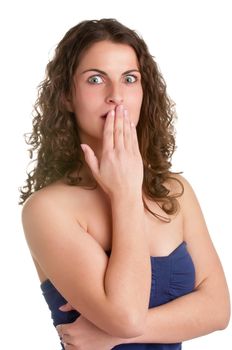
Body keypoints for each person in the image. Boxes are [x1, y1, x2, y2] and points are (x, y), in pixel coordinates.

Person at [20, 18, 230, 350]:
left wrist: (110, 333)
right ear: (66, 97)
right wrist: (125, 194)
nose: (116, 95)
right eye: (95, 79)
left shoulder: (176, 191)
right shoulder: (47, 209)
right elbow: (127, 317)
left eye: (129, 79)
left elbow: (219, 310)